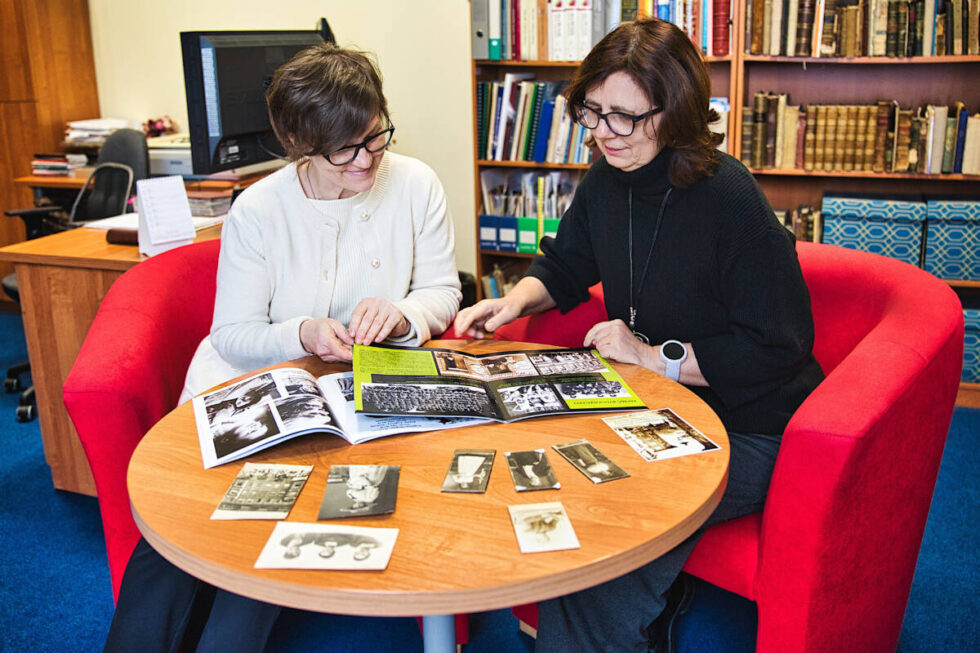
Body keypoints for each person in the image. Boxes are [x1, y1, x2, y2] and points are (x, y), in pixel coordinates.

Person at [454, 18, 824, 653]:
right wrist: (508, 303)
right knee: (547, 468)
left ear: (674, 113)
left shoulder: (730, 200)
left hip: (751, 425)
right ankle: (637, 607)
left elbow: (778, 344)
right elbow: (567, 265)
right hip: (654, 404)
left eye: (624, 117)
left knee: (611, 519)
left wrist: (653, 357)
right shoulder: (608, 178)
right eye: (592, 112)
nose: (602, 133)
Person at [104, 43, 461, 653]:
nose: (365, 161)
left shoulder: (416, 183)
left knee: (256, 547)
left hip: (355, 394)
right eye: (343, 150)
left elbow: (442, 291)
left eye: (375, 138)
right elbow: (233, 335)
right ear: (298, 143)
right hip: (251, 384)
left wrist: (402, 312)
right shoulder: (259, 207)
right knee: (184, 531)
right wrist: (303, 332)